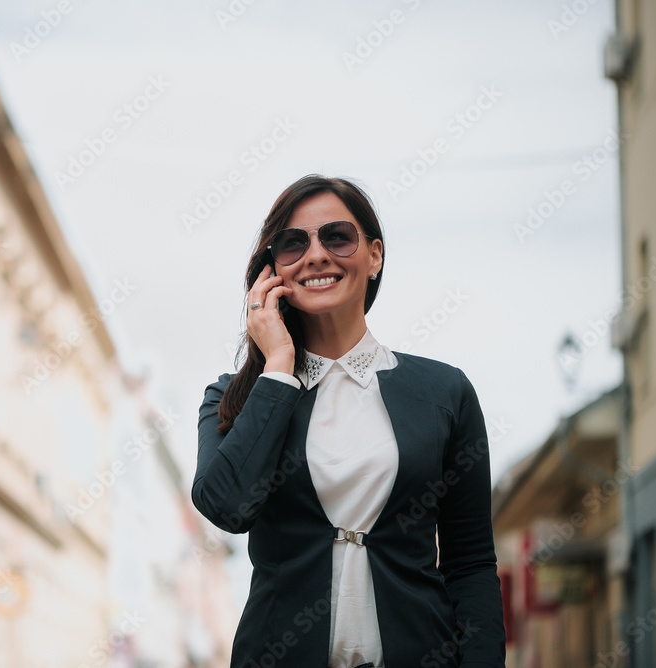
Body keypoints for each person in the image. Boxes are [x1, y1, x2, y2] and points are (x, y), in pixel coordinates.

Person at [192, 175, 506, 668]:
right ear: (272, 272)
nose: (316, 255)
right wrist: (276, 367)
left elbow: (471, 565)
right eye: (294, 243)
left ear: (374, 255)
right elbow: (228, 508)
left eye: (337, 236)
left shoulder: (446, 394)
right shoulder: (234, 398)